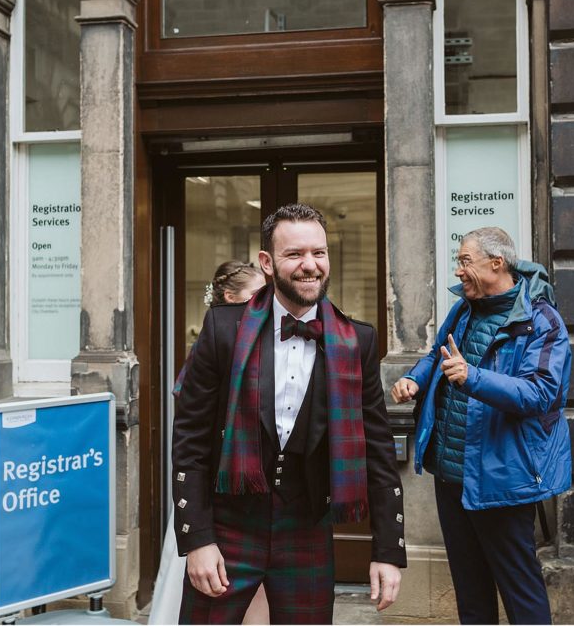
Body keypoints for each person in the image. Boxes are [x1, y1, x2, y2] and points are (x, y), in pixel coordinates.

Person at [171, 203, 406, 625]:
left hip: (307, 531)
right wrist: (197, 540)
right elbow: (189, 439)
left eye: (318, 253)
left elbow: (378, 451)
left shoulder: (359, 342)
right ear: (267, 262)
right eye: (295, 254)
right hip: (227, 529)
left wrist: (387, 551)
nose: (310, 266)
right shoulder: (223, 330)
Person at [391, 226, 571, 625]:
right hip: (451, 473)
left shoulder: (541, 321)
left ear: (497, 262)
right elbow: (439, 356)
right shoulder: (464, 310)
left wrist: (473, 377)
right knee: (470, 590)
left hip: (502, 476)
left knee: (519, 589)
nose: (458, 270)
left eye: (464, 260)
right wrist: (416, 379)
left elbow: (540, 393)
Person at [150, 261, 268, 626]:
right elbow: (186, 403)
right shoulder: (215, 341)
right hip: (216, 484)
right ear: (231, 299)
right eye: (256, 296)